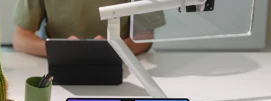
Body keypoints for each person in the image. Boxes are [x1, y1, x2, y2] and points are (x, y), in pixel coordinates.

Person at [12, 0, 165, 57]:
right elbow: (20, 38)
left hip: (124, 61)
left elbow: (144, 37)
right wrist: (59, 49)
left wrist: (111, 50)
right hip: (58, 65)